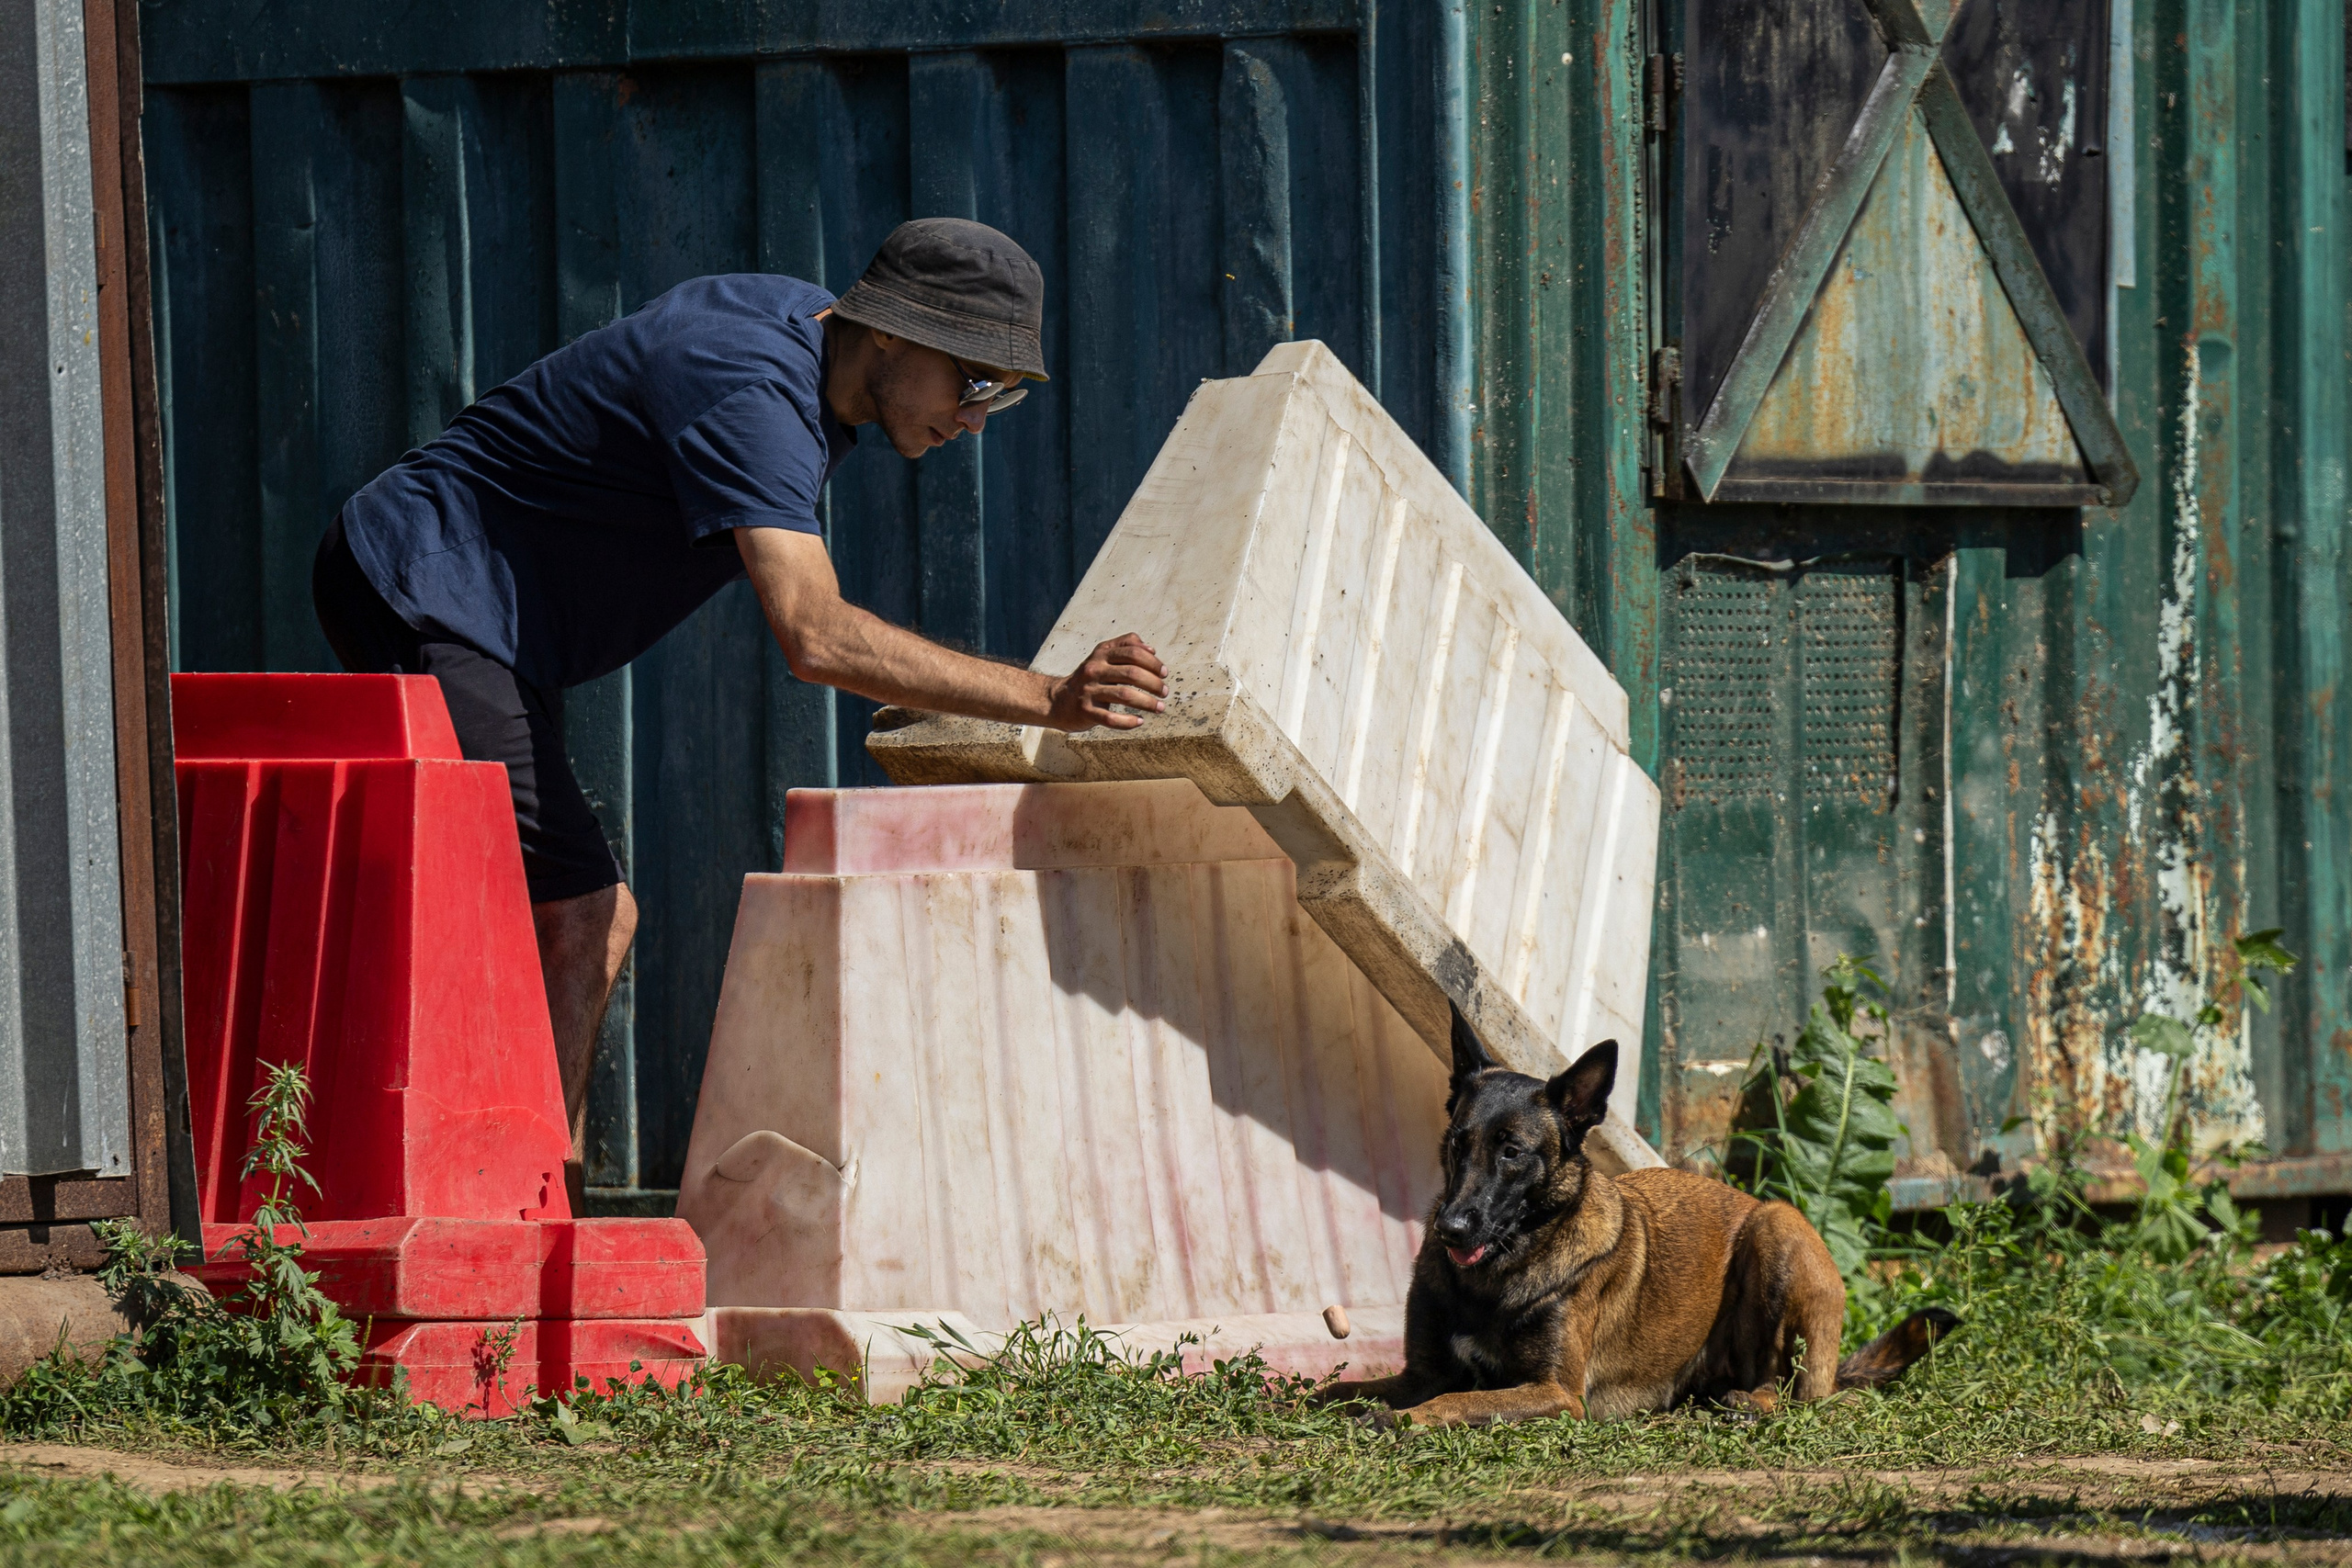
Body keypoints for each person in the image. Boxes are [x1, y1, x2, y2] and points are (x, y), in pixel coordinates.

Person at [311, 218, 1166, 1204]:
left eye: (1001, 395)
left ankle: (516, 1208)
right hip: (419, 580)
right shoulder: (753, 394)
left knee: (544, 909)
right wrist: (1047, 700)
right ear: (888, 333)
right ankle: (529, 1218)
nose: (976, 417)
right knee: (586, 910)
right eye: (971, 380)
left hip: (486, 611)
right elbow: (817, 636)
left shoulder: (807, 342)